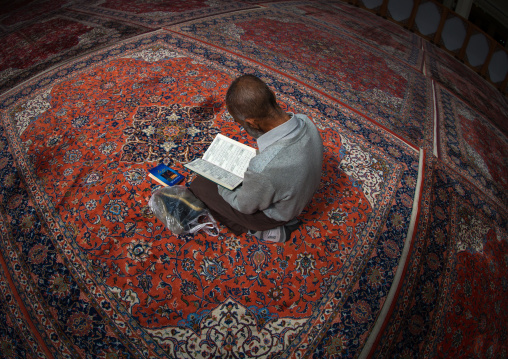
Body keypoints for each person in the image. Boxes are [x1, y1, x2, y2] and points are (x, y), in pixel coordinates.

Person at [190, 74, 323, 242]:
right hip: (301, 193)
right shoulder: (305, 120)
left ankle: (265, 230)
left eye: (240, 123)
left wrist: (221, 182)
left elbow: (244, 206)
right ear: (272, 97)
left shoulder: (263, 168)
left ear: (252, 123)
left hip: (280, 214)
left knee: (200, 185)